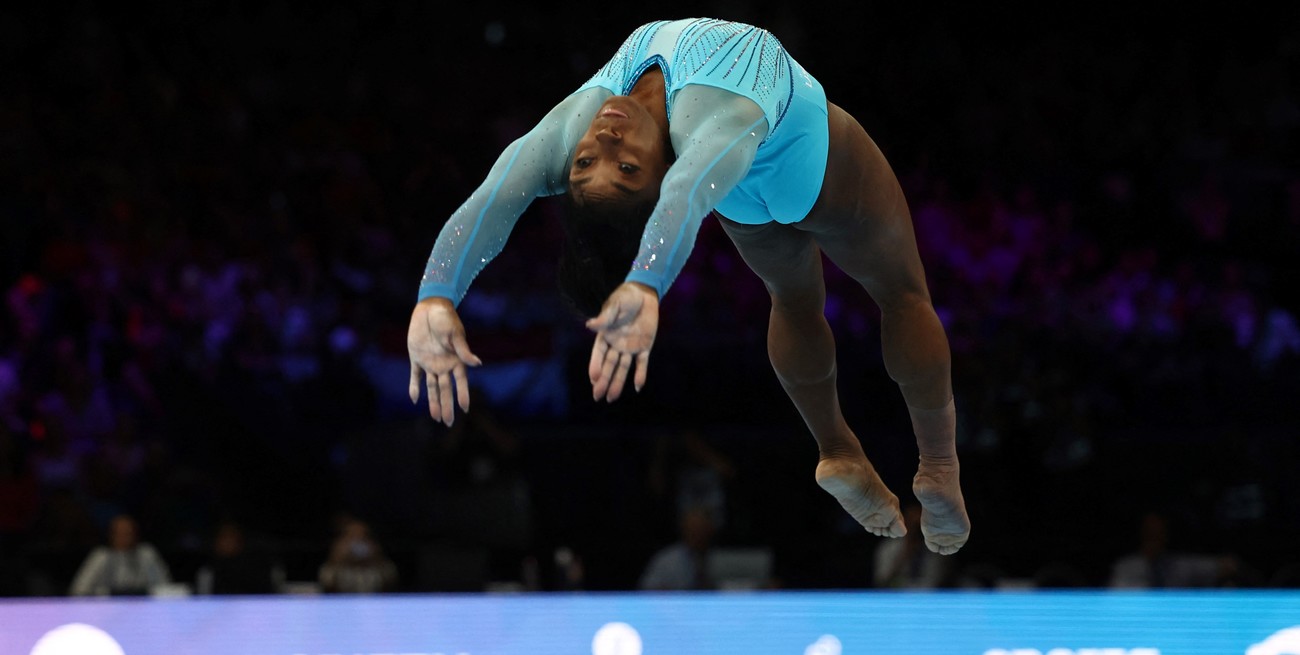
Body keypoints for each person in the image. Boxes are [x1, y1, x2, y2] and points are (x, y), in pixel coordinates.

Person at [407, 18, 969, 554]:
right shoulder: (706, 123)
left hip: (741, 189)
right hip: (811, 161)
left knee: (794, 299)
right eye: (627, 168)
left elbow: (496, 194)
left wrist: (435, 294)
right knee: (902, 294)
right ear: (660, 175)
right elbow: (688, 193)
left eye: (586, 163)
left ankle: (838, 449)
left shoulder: (583, 119)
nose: (606, 136)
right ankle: (939, 466)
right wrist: (645, 282)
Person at [68, 513, 171, 596]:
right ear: (111, 535)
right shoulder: (101, 556)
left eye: (128, 533)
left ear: (136, 535)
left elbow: (164, 586)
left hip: (143, 607)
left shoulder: (146, 553)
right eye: (120, 533)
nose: (124, 538)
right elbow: (79, 589)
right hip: (107, 609)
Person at [638, 505, 718, 591]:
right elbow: (647, 589)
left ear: (711, 530)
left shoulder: (721, 557)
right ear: (684, 530)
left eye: (701, 529)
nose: (698, 535)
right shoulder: (666, 560)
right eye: (692, 530)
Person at [318, 517, 399, 594]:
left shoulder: (379, 561)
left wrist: (377, 558)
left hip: (373, 605)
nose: (357, 541)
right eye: (352, 536)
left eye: (363, 536)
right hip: (343, 604)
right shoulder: (335, 563)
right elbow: (326, 584)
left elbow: (391, 582)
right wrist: (336, 559)